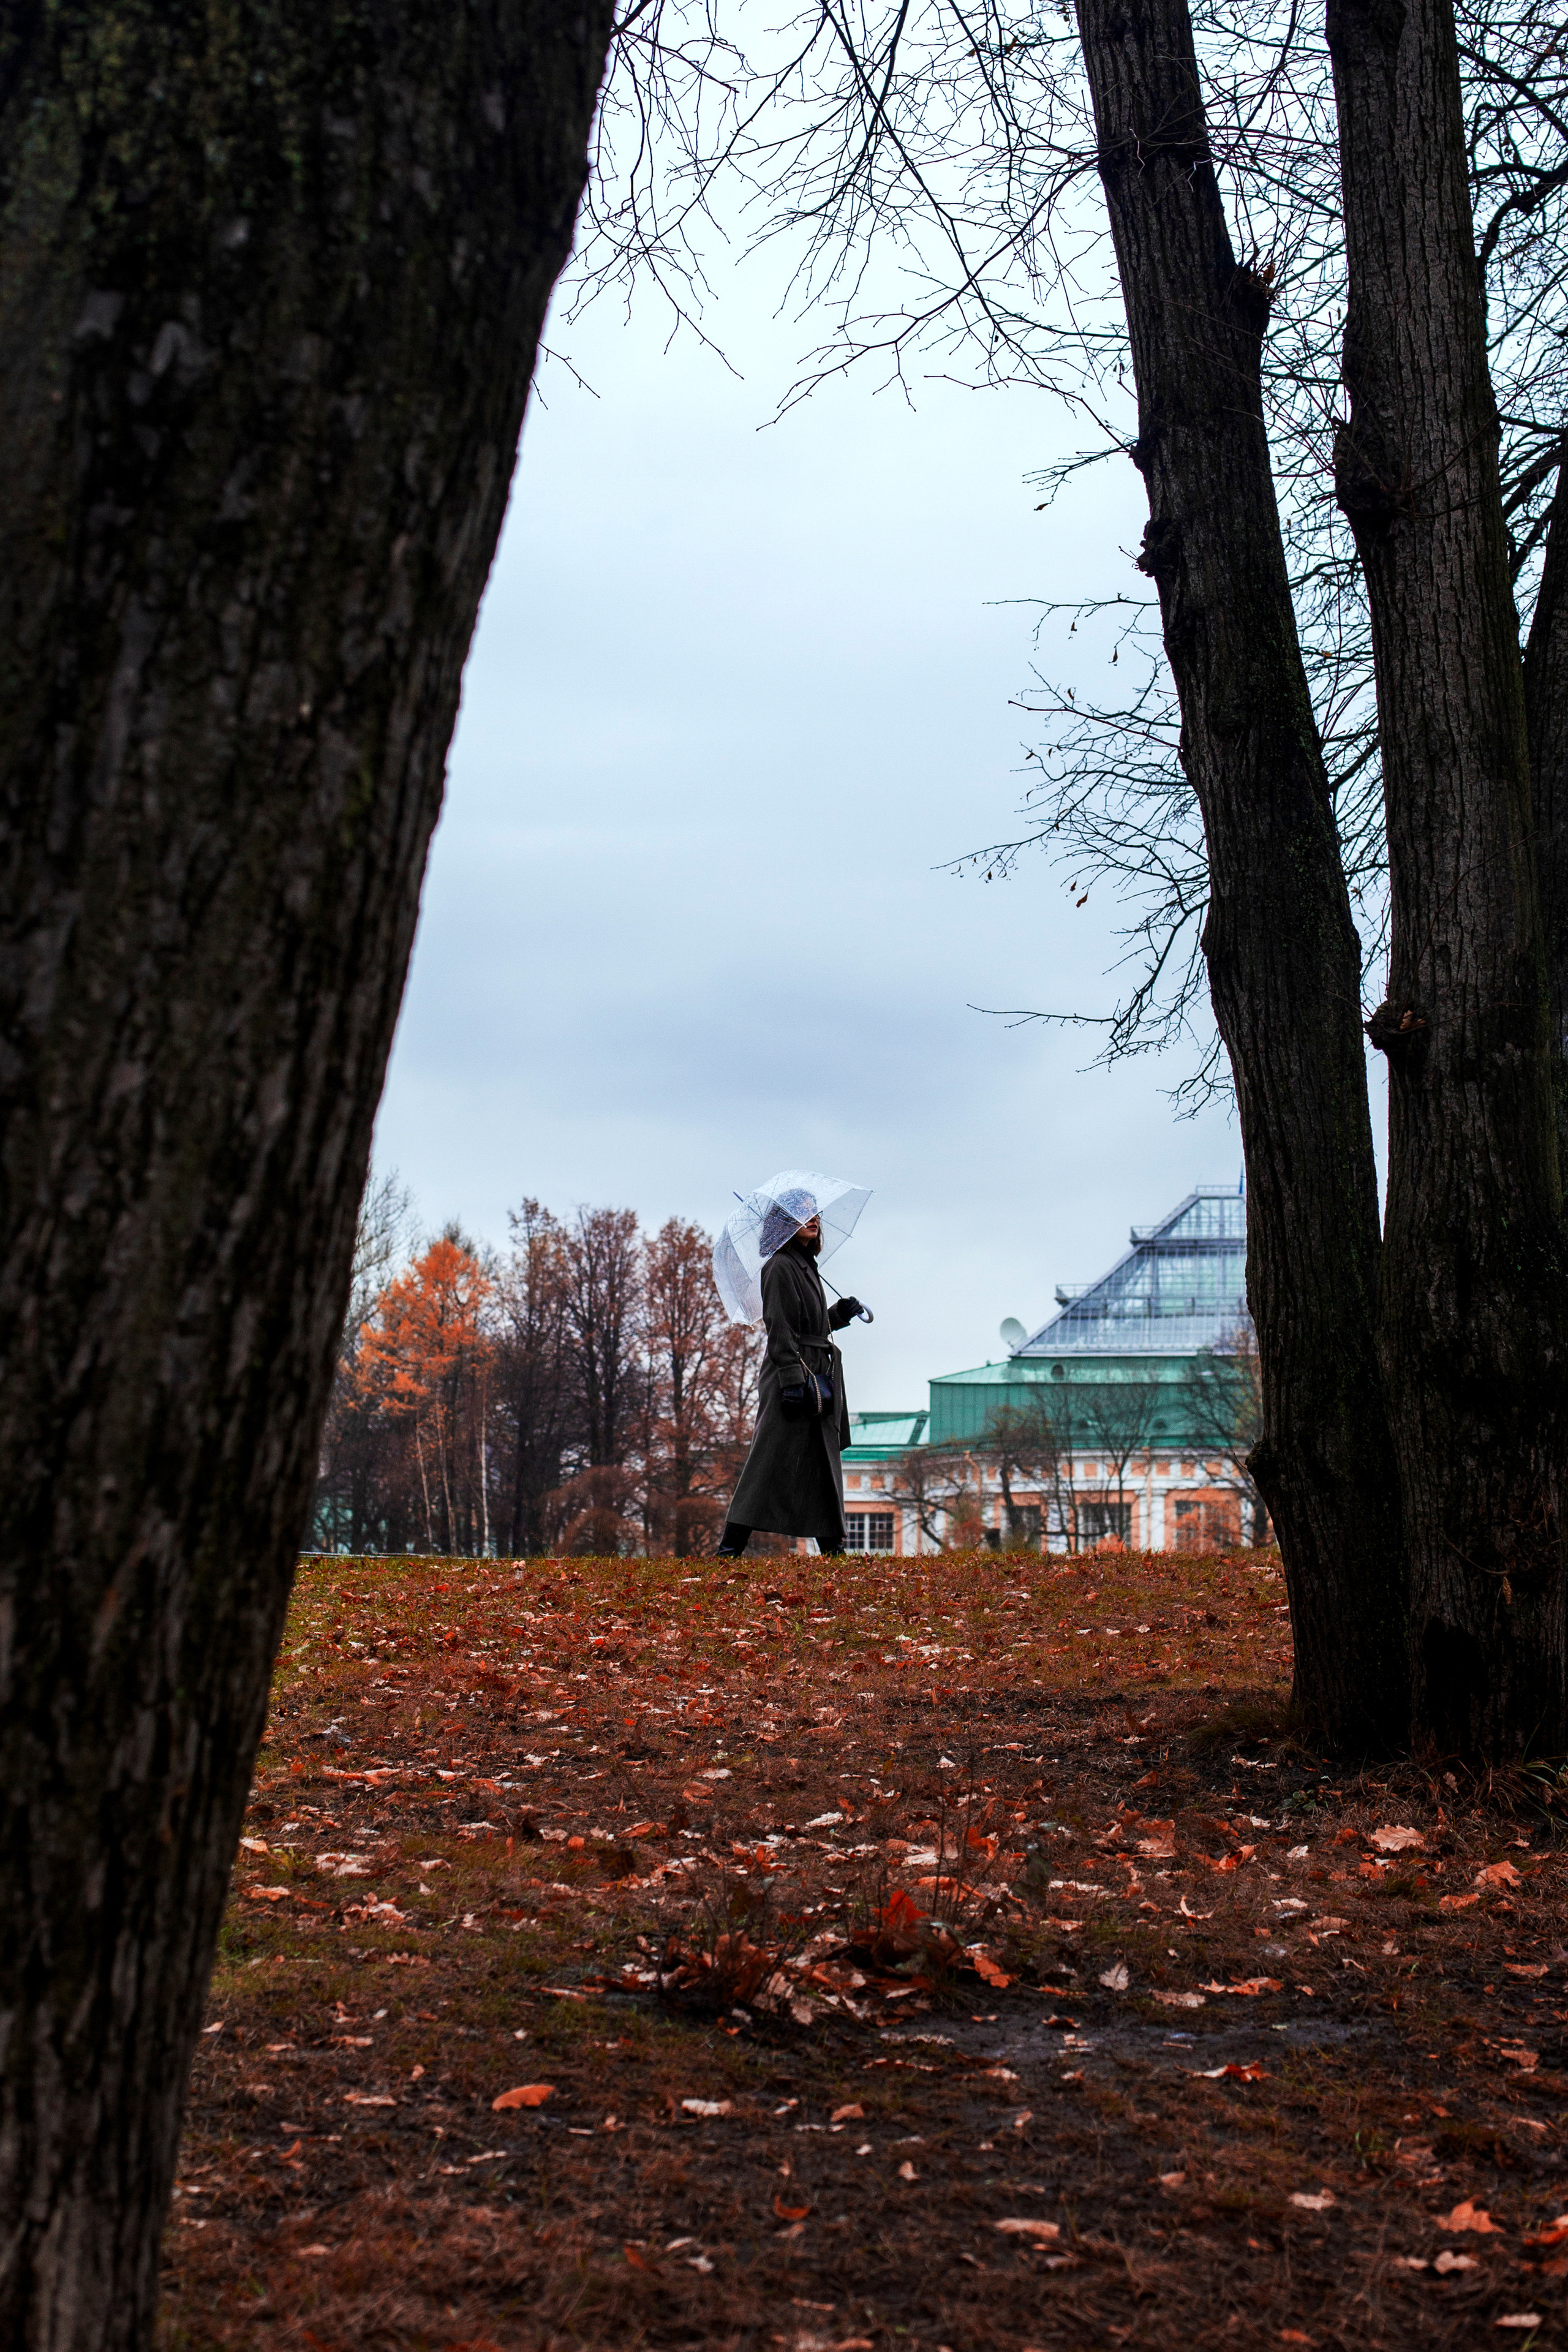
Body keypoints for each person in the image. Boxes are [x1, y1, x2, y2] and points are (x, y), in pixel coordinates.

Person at [716, 1207, 863, 1558]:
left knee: (820, 1461)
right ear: (783, 1224)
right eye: (801, 1215)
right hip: (793, 1378)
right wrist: (792, 1383)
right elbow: (780, 1329)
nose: (812, 1220)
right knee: (767, 1461)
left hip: (812, 1373)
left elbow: (810, 1327)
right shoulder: (780, 1266)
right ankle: (729, 1549)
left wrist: (840, 1315)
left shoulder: (804, 1265)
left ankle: (833, 1550)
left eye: (815, 1214)